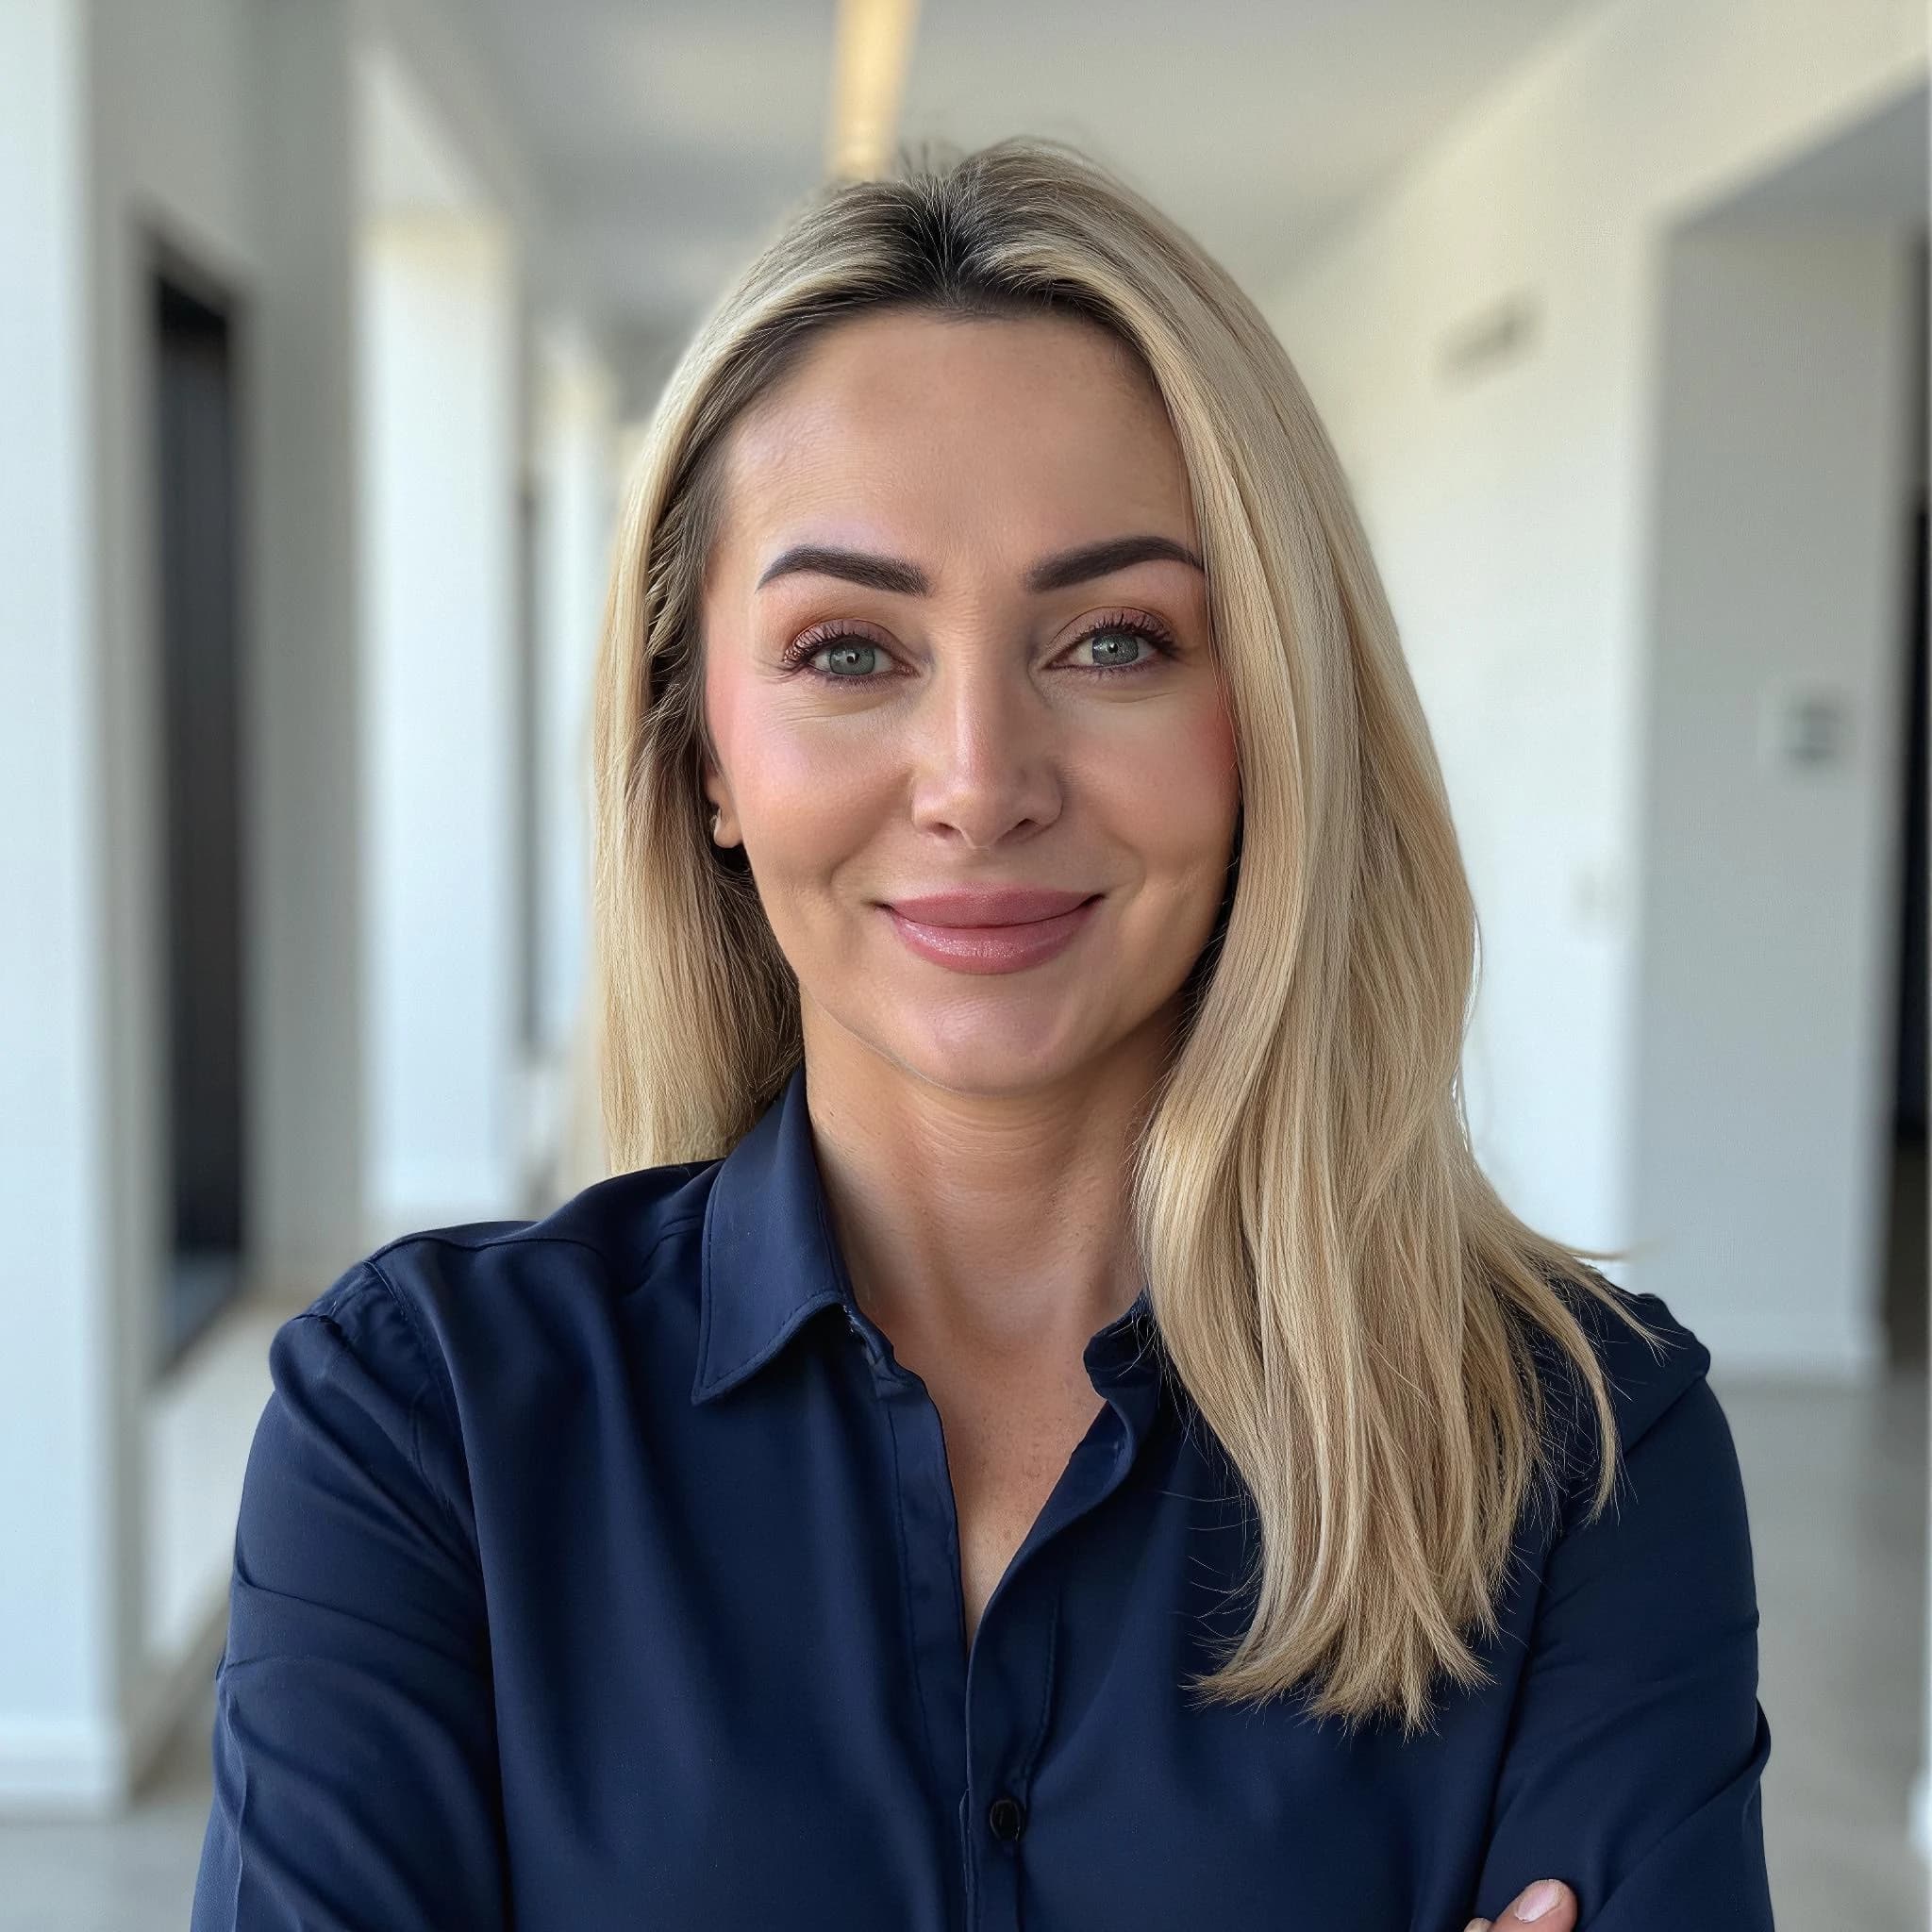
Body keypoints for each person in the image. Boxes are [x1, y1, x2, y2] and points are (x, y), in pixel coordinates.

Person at [191, 138, 1774, 1931]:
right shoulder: (426, 1429)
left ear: (1274, 717)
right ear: (703, 750)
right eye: (850, 652)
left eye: (1112, 640)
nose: (977, 784)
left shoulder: (1581, 1455)